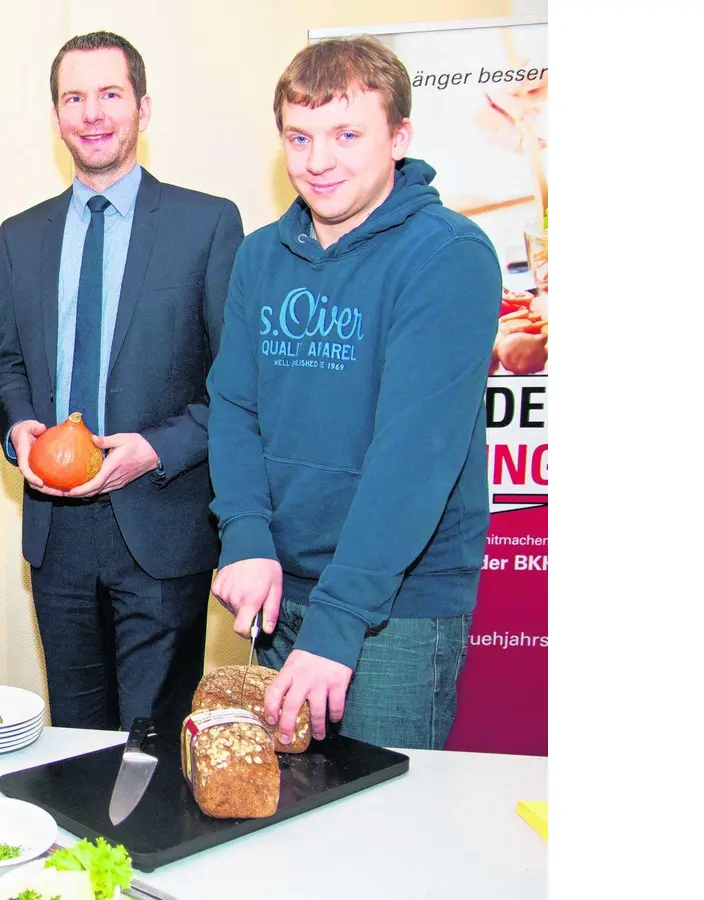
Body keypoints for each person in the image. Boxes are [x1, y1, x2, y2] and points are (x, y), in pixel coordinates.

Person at [206, 35, 499, 751]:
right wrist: (245, 536)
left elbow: (414, 455)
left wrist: (338, 623)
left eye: (346, 134)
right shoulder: (260, 255)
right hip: (282, 591)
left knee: (381, 830)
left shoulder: (448, 256)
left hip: (397, 604)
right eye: (298, 137)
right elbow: (235, 406)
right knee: (283, 815)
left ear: (399, 137)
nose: (318, 160)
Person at [0, 31, 243, 731]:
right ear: (56, 115)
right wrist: (18, 429)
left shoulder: (207, 224)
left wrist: (155, 449)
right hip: (56, 534)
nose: (92, 114)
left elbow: (237, 384)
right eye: (74, 97)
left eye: (109, 94)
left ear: (143, 108)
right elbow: (7, 364)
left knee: (152, 747)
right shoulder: (22, 234)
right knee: (72, 738)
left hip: (162, 523)